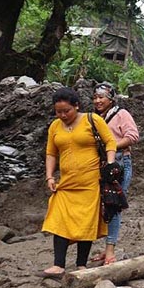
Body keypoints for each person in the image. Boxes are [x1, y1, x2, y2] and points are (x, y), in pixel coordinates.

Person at [39, 87, 117, 278]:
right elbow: (51, 153)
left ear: (77, 106)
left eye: (67, 111)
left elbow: (110, 142)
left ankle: (81, 264)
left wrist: (111, 163)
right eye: (59, 112)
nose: (63, 115)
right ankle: (58, 264)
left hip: (90, 182)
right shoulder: (55, 127)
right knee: (60, 219)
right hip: (66, 183)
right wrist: (49, 176)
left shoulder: (93, 120)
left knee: (86, 221)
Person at [89, 82, 139, 265]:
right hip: (101, 165)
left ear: (111, 99)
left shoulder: (121, 114)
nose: (98, 100)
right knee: (102, 206)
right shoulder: (94, 118)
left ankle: (110, 251)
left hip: (119, 163)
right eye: (95, 97)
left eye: (101, 97)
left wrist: (110, 146)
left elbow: (133, 136)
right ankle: (106, 247)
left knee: (114, 205)